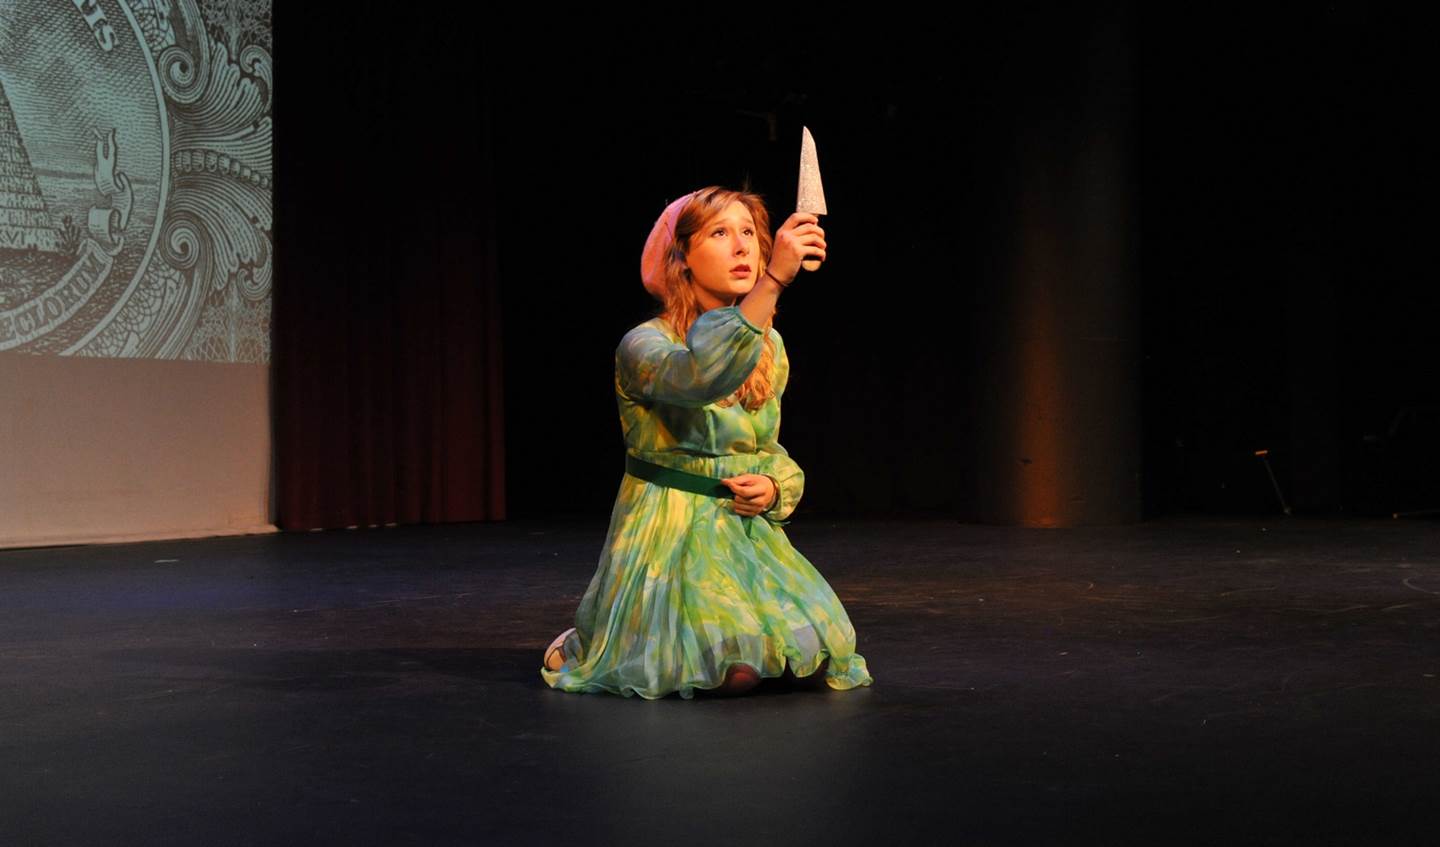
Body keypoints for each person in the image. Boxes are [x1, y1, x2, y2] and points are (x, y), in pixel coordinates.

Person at [539, 186, 873, 699]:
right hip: (669, 532)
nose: (742, 248)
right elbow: (701, 376)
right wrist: (776, 278)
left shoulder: (769, 346)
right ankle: (591, 640)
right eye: (720, 233)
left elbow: (768, 448)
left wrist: (773, 484)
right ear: (683, 260)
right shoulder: (645, 345)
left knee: (810, 653)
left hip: (740, 533)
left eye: (749, 234)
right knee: (731, 669)